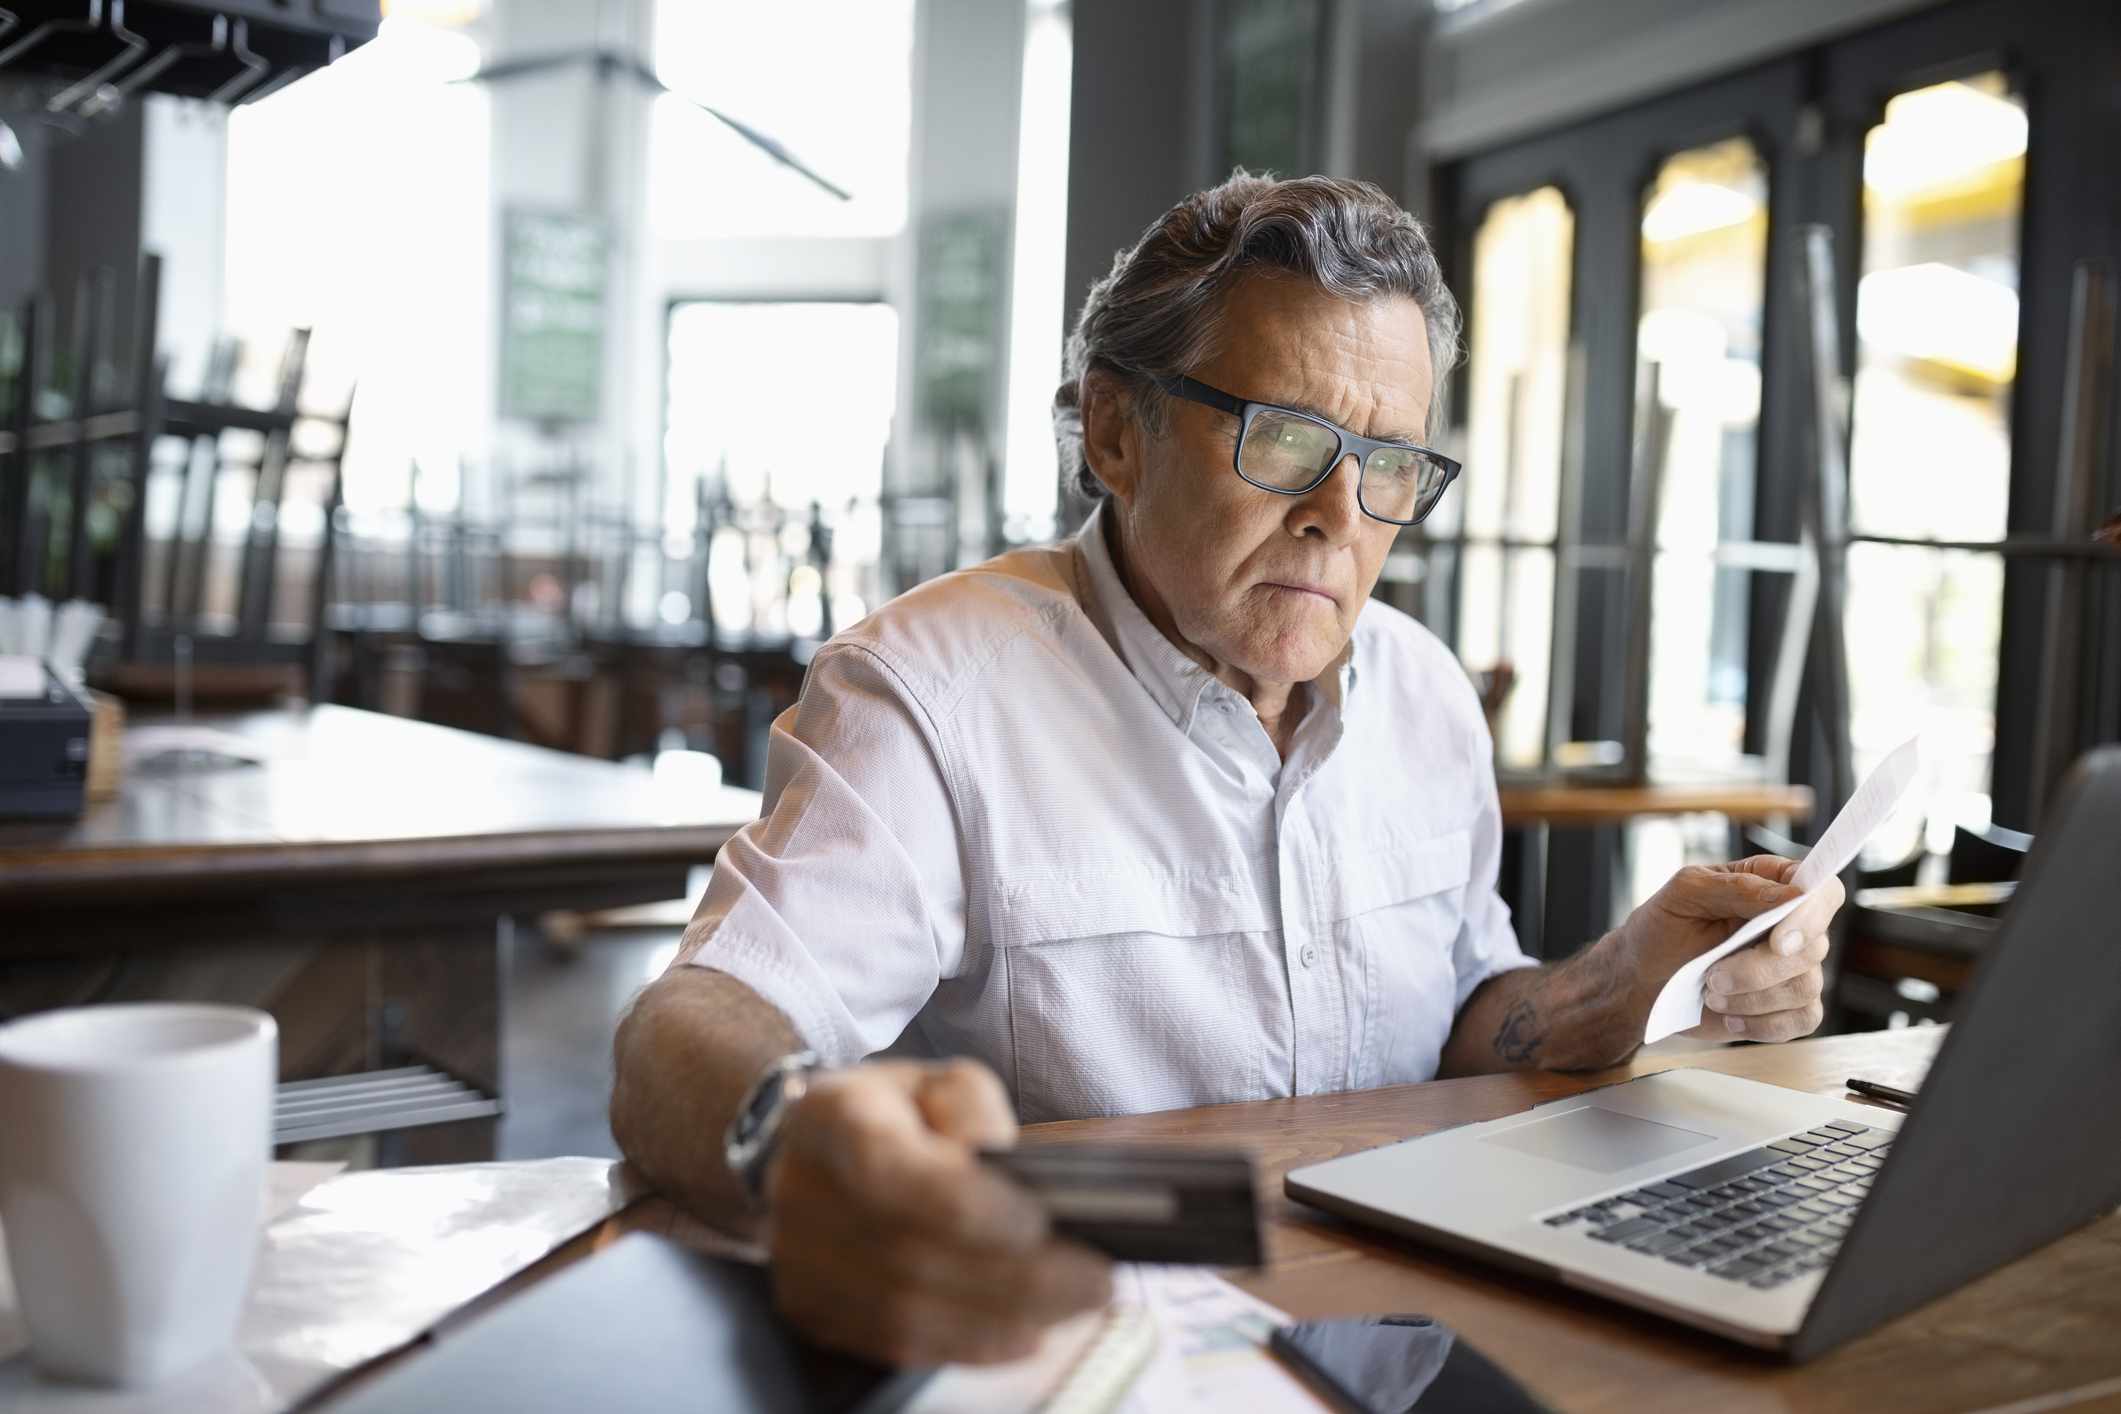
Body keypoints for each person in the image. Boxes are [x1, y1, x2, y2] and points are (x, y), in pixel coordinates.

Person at [611, 172, 1844, 1368]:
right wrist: (790, 1145)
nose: (1341, 514)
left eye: (1390, 460)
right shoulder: (932, 690)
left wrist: (1629, 981)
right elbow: (686, 1028)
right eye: (1287, 436)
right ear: (1114, 430)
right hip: (1079, 1366)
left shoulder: (1423, 694)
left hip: (1396, 1354)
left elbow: (1472, 1019)